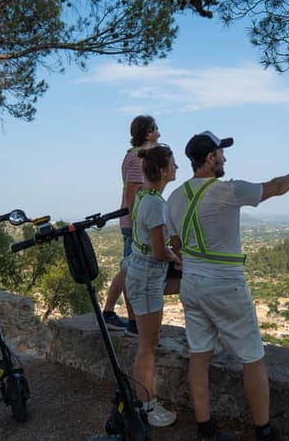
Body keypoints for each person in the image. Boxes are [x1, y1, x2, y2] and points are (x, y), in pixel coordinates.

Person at [166, 131, 289, 441]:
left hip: (192, 284)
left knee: (200, 354)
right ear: (209, 158)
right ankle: (264, 430)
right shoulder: (226, 192)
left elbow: (176, 245)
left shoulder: (175, 198)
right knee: (252, 356)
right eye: (220, 153)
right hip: (225, 284)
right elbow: (274, 187)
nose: (225, 158)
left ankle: (206, 428)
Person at [124, 144, 181, 427]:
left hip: (140, 272)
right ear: (161, 170)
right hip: (147, 277)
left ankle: (145, 403)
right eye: (173, 164)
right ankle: (147, 408)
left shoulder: (143, 195)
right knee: (147, 345)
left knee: (148, 343)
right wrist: (177, 258)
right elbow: (159, 251)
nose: (176, 168)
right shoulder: (156, 203)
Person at [102, 115, 161, 336]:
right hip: (134, 223)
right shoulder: (138, 157)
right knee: (130, 271)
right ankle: (134, 322)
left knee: (126, 268)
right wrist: (139, 222)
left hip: (130, 221)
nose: (159, 134)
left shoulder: (133, 156)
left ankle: (108, 312)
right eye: (156, 129)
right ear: (147, 132)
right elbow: (132, 191)